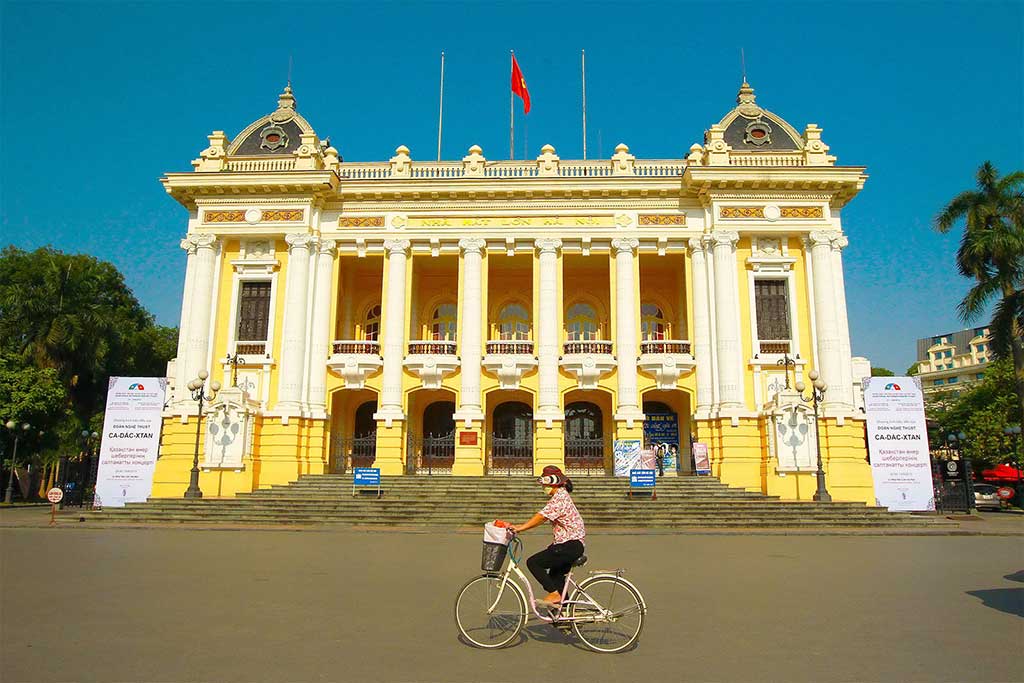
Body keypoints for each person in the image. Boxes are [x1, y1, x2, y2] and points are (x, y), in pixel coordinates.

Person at [510, 465, 586, 607]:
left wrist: (521, 527)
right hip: (570, 545)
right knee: (555, 577)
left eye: (545, 485)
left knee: (533, 563)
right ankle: (565, 613)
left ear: (553, 483)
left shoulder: (560, 498)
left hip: (570, 545)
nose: (543, 488)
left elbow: (541, 517)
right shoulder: (560, 496)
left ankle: (554, 594)